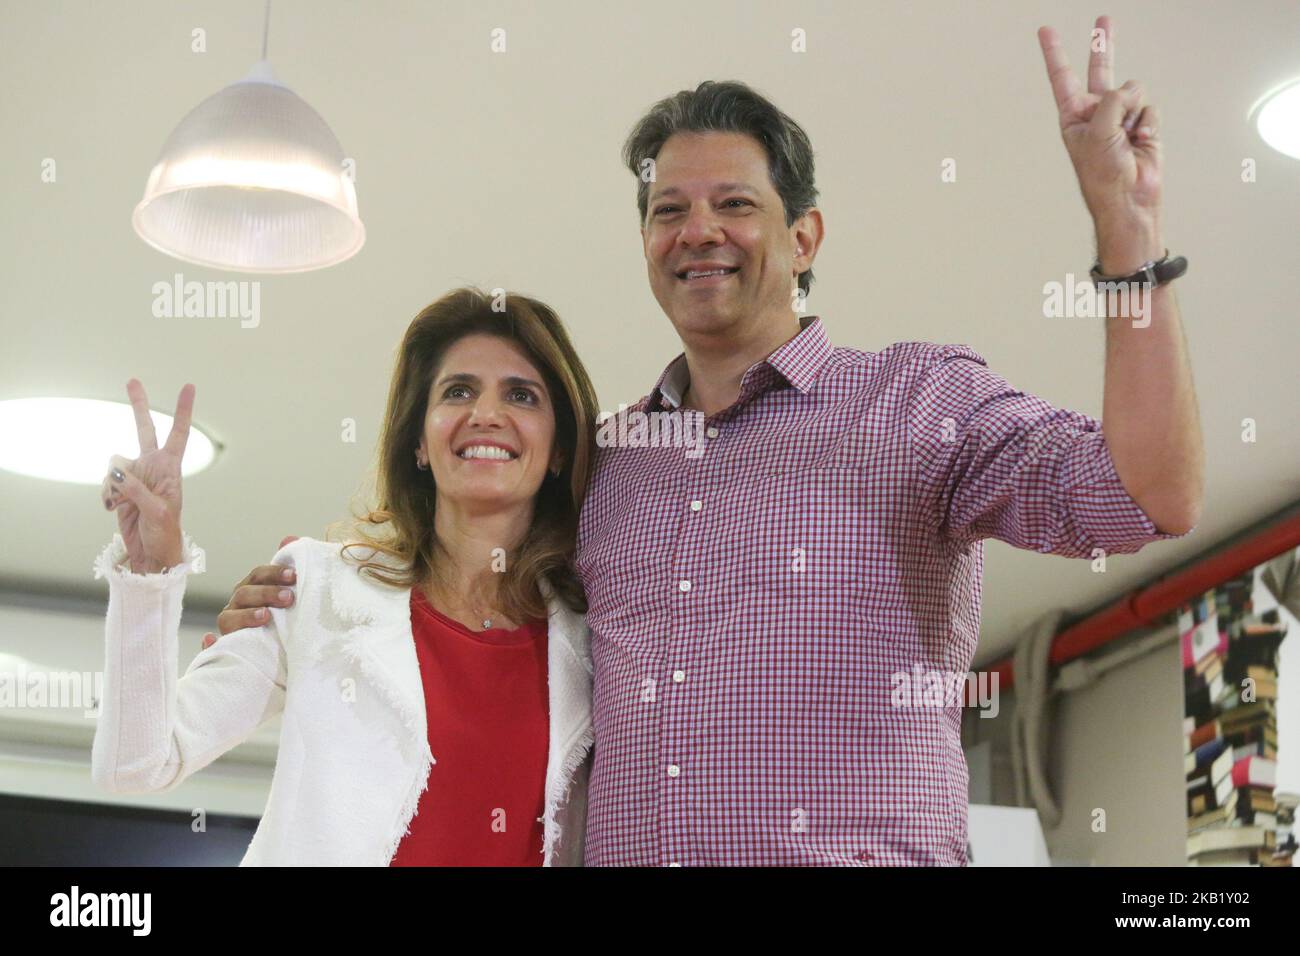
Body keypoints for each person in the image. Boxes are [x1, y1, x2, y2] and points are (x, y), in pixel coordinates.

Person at [212, 17, 1204, 865]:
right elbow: (472, 605)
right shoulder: (600, 465)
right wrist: (314, 599)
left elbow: (1145, 493)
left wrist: (1125, 230)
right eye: (667, 209)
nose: (699, 231)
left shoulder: (916, 404)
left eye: (735, 203)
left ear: (805, 236)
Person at [92, 288, 601, 866]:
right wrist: (150, 573)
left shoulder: (597, 637)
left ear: (559, 449)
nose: (486, 414)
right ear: (418, 442)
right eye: (458, 391)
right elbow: (138, 765)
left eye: (522, 395)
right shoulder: (313, 587)